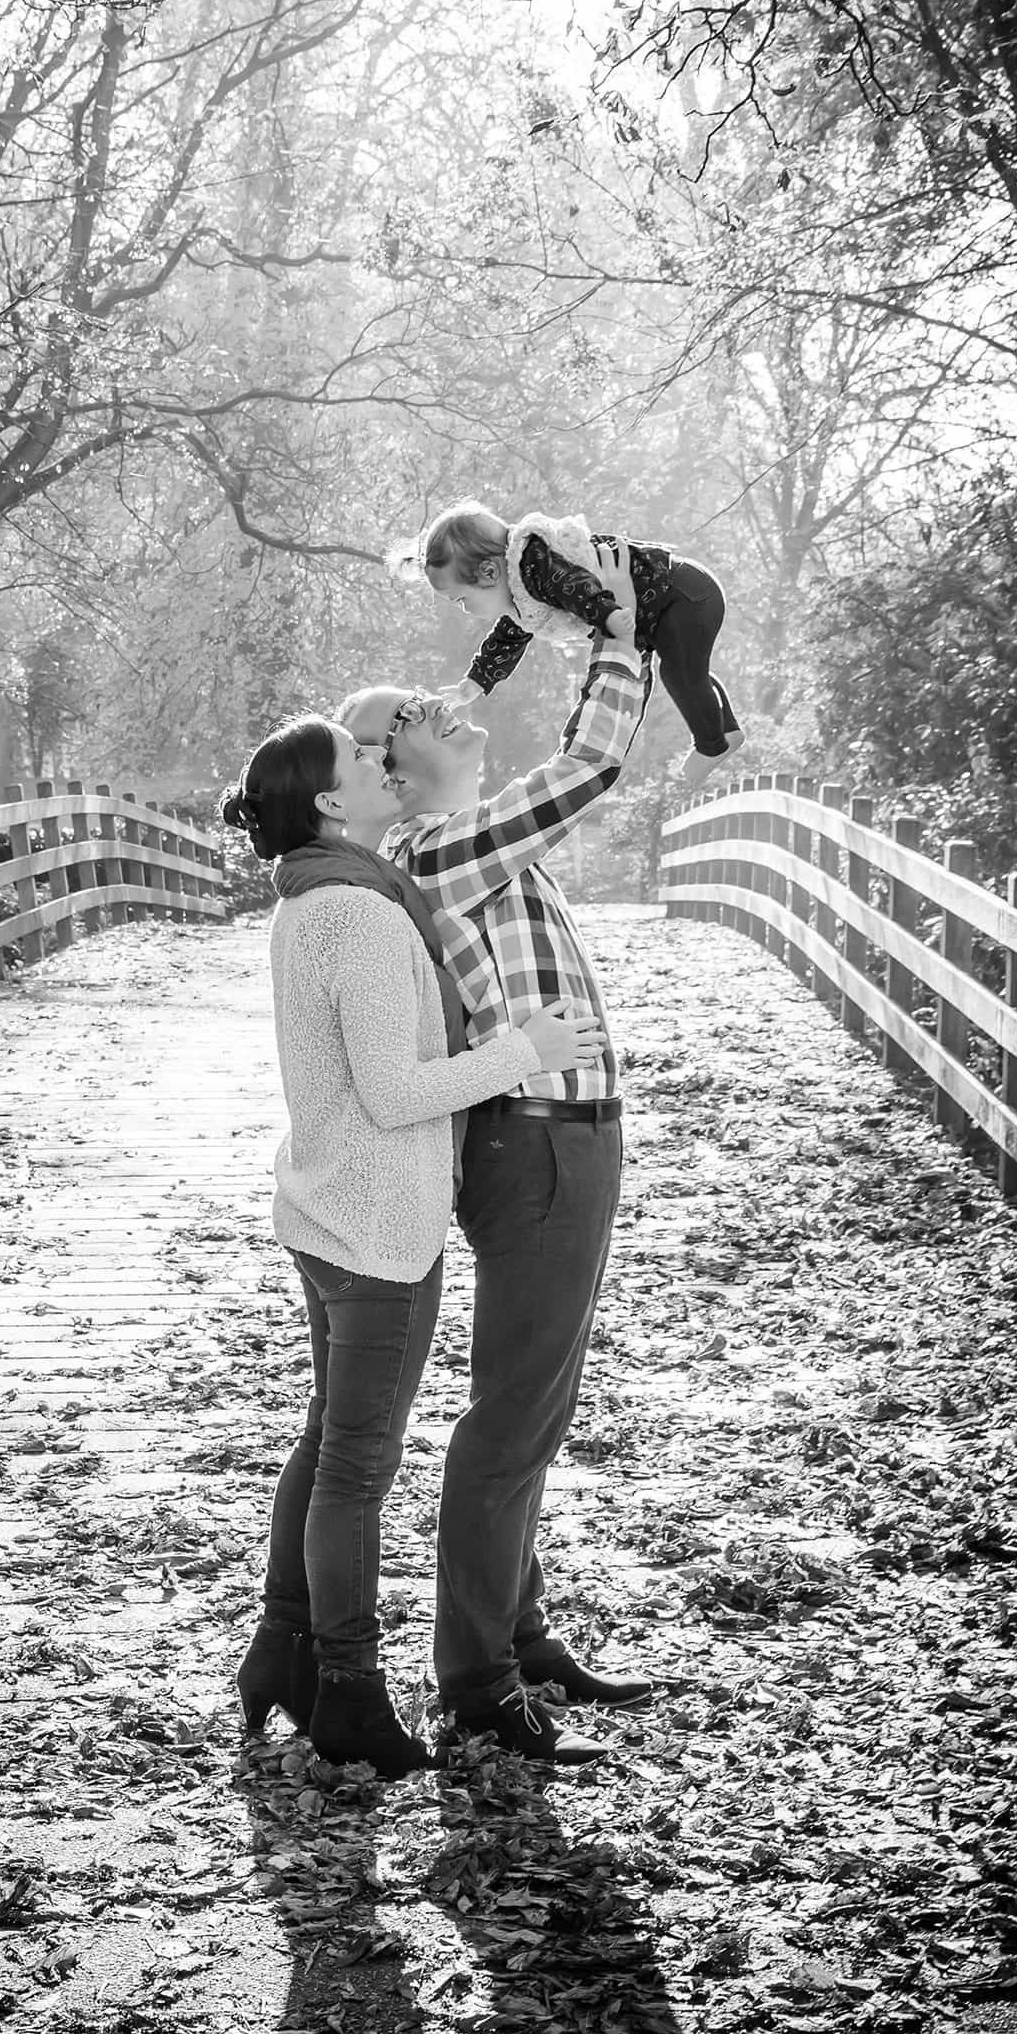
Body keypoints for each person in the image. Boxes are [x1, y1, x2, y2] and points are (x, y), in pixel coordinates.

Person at [219, 713, 603, 1778]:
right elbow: (394, 1093)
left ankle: (278, 1645)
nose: (379, 764)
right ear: (333, 803)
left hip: (327, 1207)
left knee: (329, 1440)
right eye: (359, 760)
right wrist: (523, 1050)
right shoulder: (362, 914)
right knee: (356, 1464)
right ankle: (345, 1687)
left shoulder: (311, 899)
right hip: (375, 1223)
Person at [339, 539, 656, 1768]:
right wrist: (619, 642)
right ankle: (474, 1676)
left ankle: (515, 1635)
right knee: (514, 1413)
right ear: (386, 773)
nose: (444, 711)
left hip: (559, 1136)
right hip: (537, 1144)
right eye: (406, 720)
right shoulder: (434, 852)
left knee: (537, 1403)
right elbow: (589, 765)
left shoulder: (466, 841)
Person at [400, 496, 745, 787]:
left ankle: (711, 745)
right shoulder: (522, 596)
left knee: (682, 673)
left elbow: (575, 584)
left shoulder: (534, 566)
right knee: (685, 668)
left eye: (461, 600)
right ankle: (725, 730)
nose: (464, 610)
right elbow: (506, 639)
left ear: (490, 573)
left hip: (683, 594)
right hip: (669, 604)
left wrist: (607, 613)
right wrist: (476, 681)